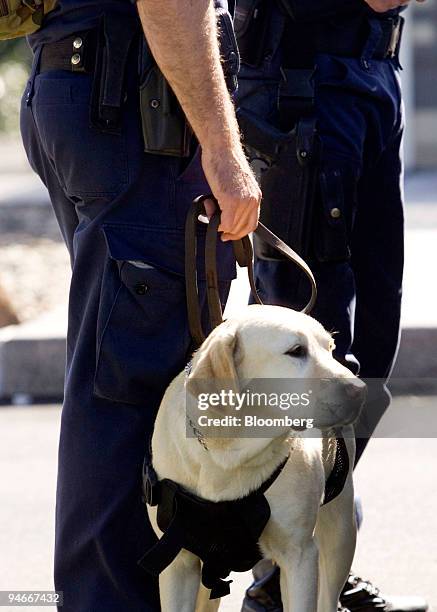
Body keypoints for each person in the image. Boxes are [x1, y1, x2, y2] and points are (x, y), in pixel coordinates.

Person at [20, 1, 261, 610]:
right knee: (125, 393)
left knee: (116, 376)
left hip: (91, 91)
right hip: (129, 111)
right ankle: (104, 598)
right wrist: (224, 151)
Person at [235, 0, 429, 611]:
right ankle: (280, 581)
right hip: (307, 87)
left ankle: (314, 571)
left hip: (366, 75)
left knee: (367, 361)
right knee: (312, 361)